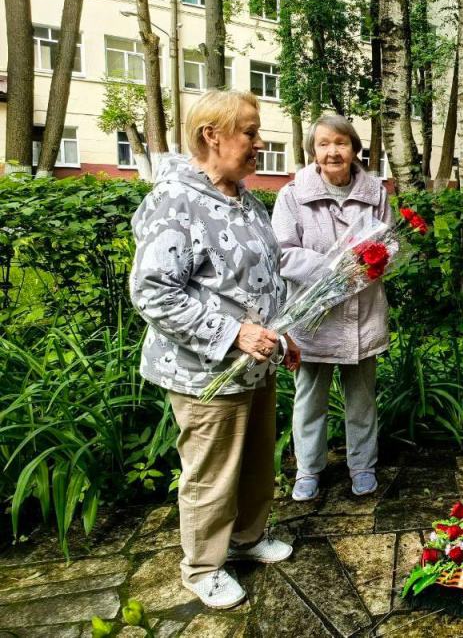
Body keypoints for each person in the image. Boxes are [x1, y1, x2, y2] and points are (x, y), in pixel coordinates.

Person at [129, 90, 299, 609]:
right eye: (250, 132)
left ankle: (247, 538)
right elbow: (152, 292)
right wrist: (232, 334)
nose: (259, 142)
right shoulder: (175, 200)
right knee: (211, 472)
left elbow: (266, 278)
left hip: (255, 364)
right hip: (204, 370)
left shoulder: (246, 199)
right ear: (212, 135)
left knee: (255, 461)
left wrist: (282, 335)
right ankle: (202, 567)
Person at [271, 114, 392, 500]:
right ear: (313, 151)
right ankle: (308, 469)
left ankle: (363, 465)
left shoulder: (376, 192)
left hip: (362, 314)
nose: (332, 152)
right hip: (313, 317)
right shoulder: (293, 195)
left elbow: (389, 243)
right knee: (310, 400)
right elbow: (281, 252)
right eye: (323, 144)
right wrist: (331, 269)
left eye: (340, 142)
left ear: (354, 148)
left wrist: (376, 261)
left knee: (362, 399)